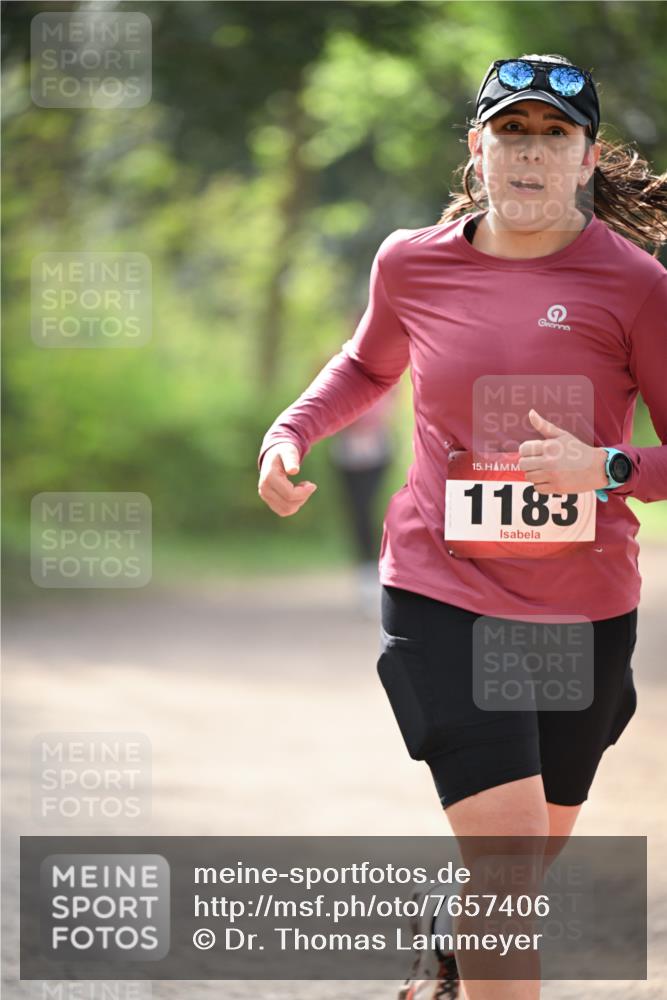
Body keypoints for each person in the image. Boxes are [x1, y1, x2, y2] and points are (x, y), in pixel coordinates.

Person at [257, 52, 667, 1000]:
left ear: (586, 155)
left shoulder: (636, 284)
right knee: (510, 855)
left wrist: (602, 468)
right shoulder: (411, 261)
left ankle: (449, 947)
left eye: (552, 135)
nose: (529, 153)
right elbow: (366, 367)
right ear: (475, 149)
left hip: (583, 609)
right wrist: (292, 433)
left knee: (526, 861)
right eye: (510, 132)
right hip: (443, 590)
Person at [329, 381, 400, 617]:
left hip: (376, 451)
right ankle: (365, 575)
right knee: (357, 513)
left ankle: (378, 574)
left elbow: (391, 405)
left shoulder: (387, 369)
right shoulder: (341, 369)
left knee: (371, 511)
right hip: (348, 454)